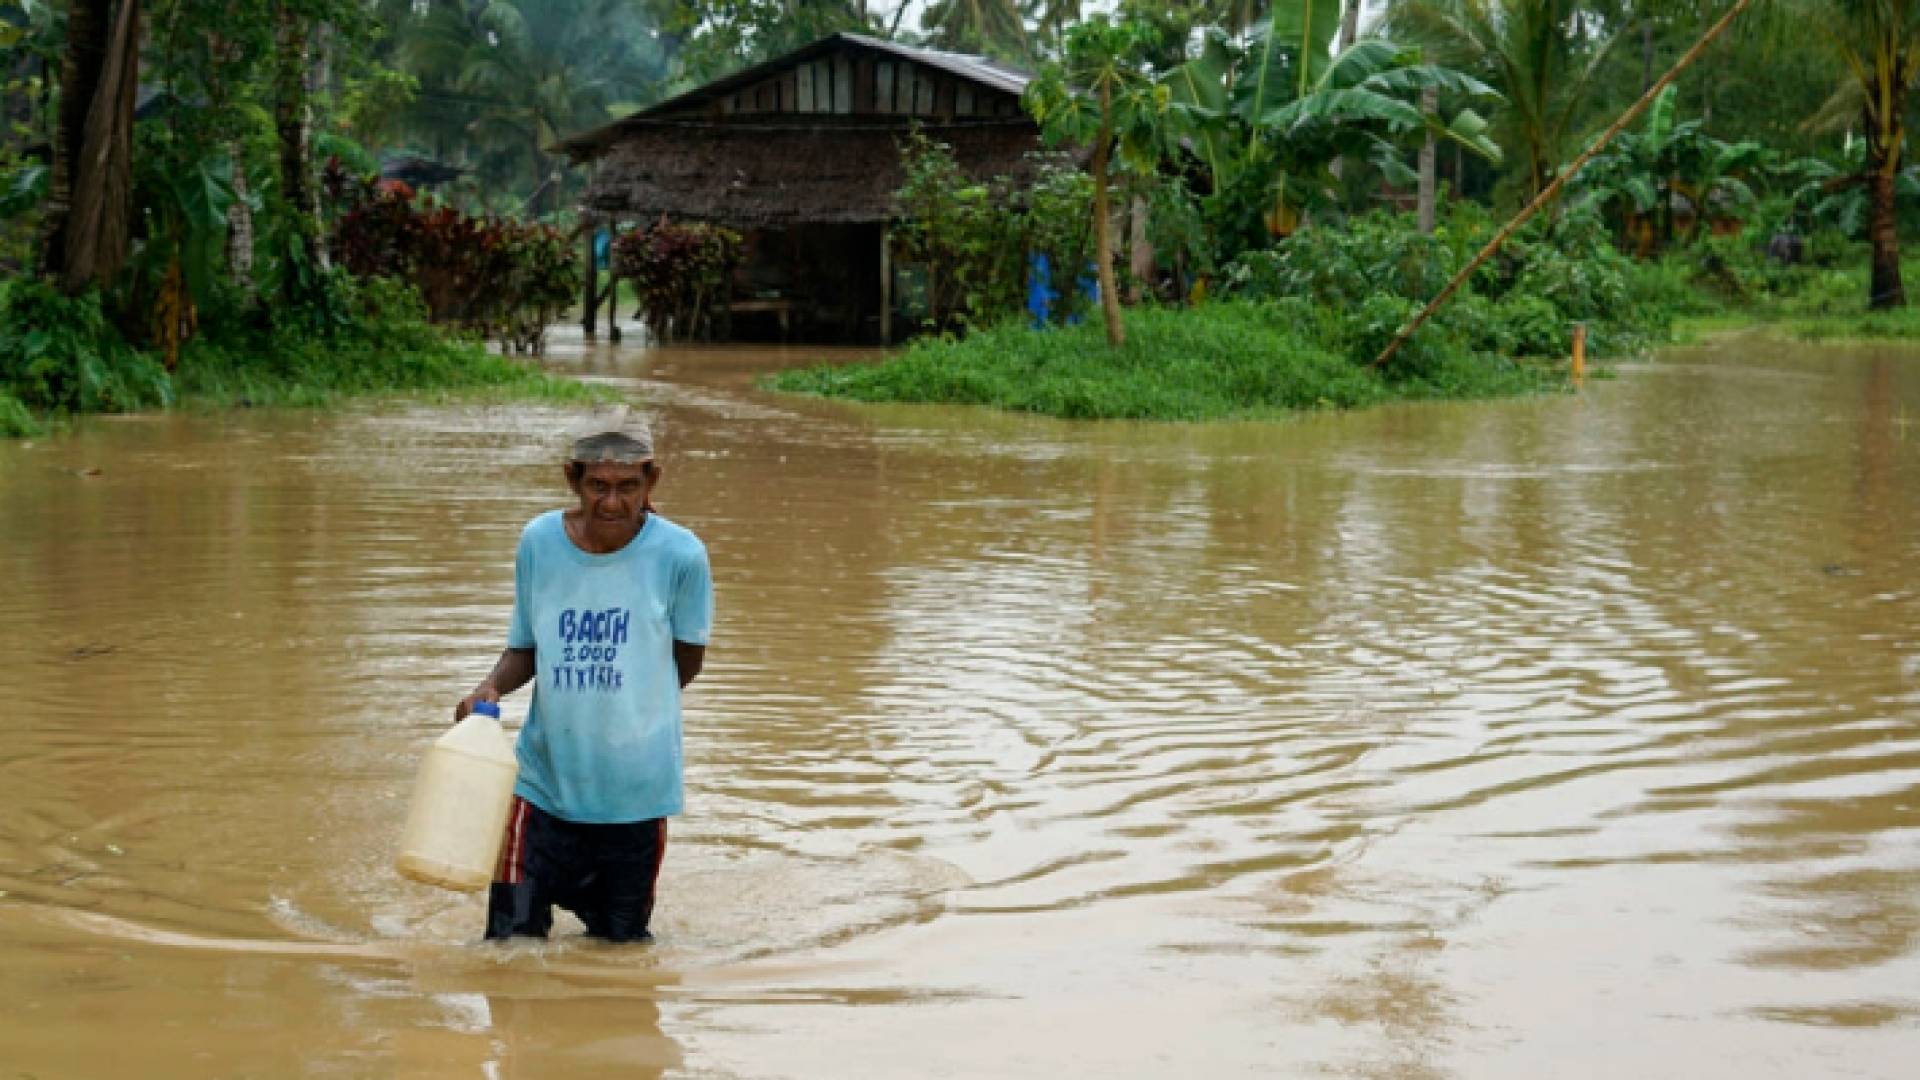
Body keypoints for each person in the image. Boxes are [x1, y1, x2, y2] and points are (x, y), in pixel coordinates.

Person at [454, 409, 712, 943]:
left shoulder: (681, 556)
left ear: (651, 480)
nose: (612, 503)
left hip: (635, 800)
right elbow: (527, 646)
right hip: (541, 788)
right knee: (508, 951)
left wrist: (631, 708)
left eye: (627, 486)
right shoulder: (540, 542)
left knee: (618, 958)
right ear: (573, 479)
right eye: (597, 486)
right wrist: (491, 686)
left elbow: (684, 662)